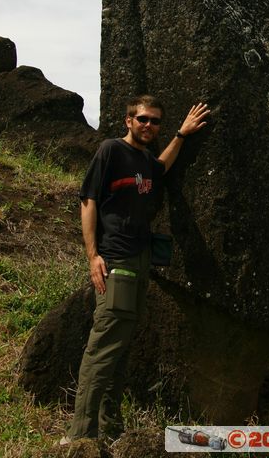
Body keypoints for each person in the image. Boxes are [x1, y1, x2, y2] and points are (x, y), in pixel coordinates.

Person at [61, 95, 209, 446]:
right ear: (129, 120)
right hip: (117, 260)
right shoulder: (111, 150)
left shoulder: (144, 160)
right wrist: (93, 255)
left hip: (140, 262)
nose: (148, 126)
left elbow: (161, 168)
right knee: (103, 347)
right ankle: (80, 435)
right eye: (142, 119)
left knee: (121, 345)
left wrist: (182, 134)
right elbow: (88, 200)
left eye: (155, 121)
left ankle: (110, 426)